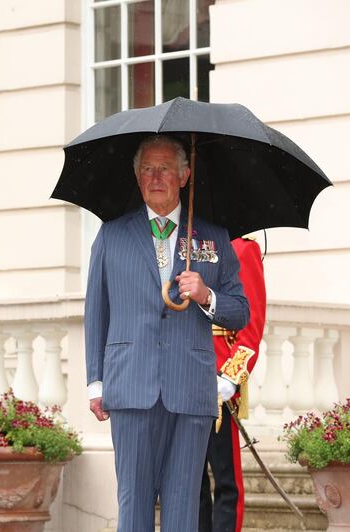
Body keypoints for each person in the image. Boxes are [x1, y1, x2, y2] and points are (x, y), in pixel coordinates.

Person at [85, 134, 250, 532]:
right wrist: (95, 382)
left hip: (190, 387)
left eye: (164, 169)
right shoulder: (112, 234)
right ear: (137, 175)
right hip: (130, 385)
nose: (155, 177)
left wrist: (206, 294)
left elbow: (240, 312)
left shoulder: (213, 238)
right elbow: (96, 311)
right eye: (147, 169)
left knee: (183, 507)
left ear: (184, 174)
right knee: (134, 503)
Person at [199, 236, 266, 532]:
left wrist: (230, 376)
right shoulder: (186, 246)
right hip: (184, 378)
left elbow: (250, 326)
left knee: (226, 481)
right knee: (190, 482)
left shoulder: (243, 247)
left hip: (219, 383)